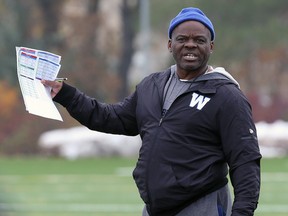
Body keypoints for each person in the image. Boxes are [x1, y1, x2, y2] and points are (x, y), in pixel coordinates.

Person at [42, 7, 261, 216]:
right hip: (155, 208)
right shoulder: (152, 85)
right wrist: (66, 95)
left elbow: (245, 161)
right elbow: (112, 118)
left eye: (199, 40)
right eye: (182, 39)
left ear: (211, 47)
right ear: (170, 44)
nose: (190, 45)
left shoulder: (226, 96)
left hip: (202, 205)